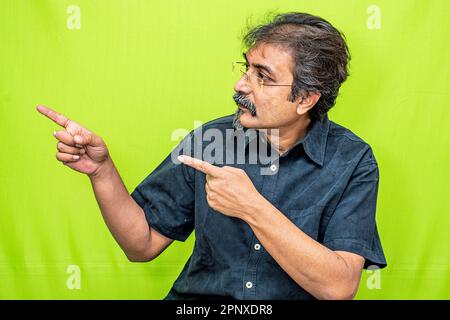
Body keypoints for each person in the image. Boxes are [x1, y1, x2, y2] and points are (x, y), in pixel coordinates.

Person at [37, 12, 387, 300]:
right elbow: (140, 244)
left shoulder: (352, 161)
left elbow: (338, 286)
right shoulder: (210, 140)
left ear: (305, 99)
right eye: (246, 68)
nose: (241, 85)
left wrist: (251, 206)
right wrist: (101, 171)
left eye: (263, 77)